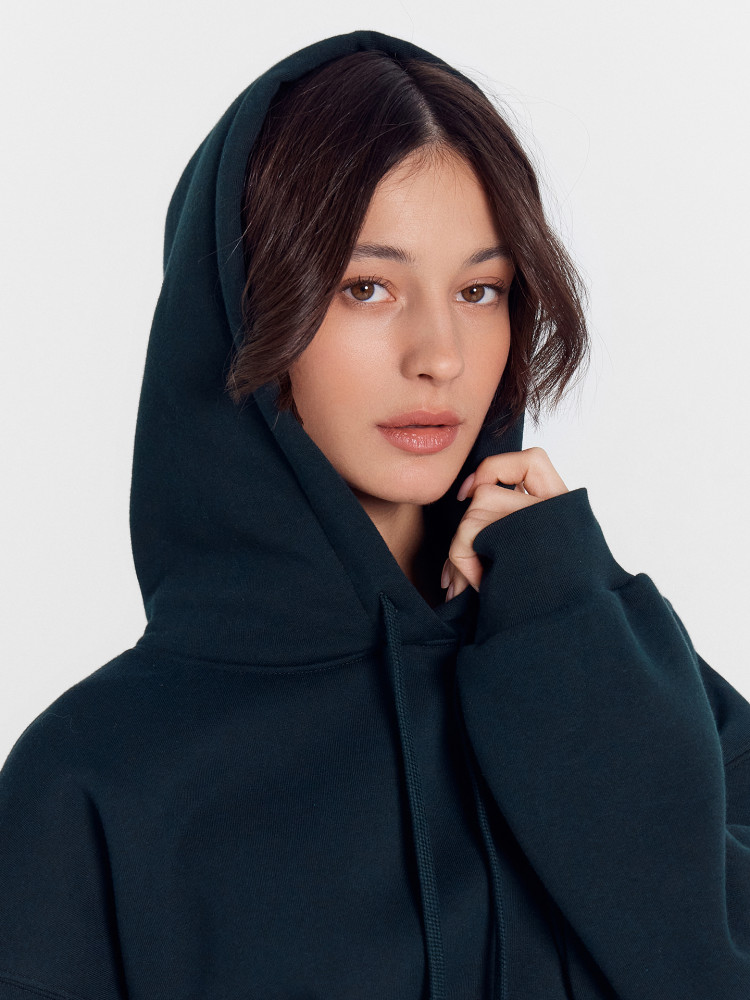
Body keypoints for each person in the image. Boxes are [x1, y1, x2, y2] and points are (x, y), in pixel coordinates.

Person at [1, 27, 748, 1000]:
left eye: (479, 289)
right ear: (244, 308)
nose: (439, 354)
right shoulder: (90, 783)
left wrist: (570, 623)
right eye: (367, 287)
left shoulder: (627, 683)